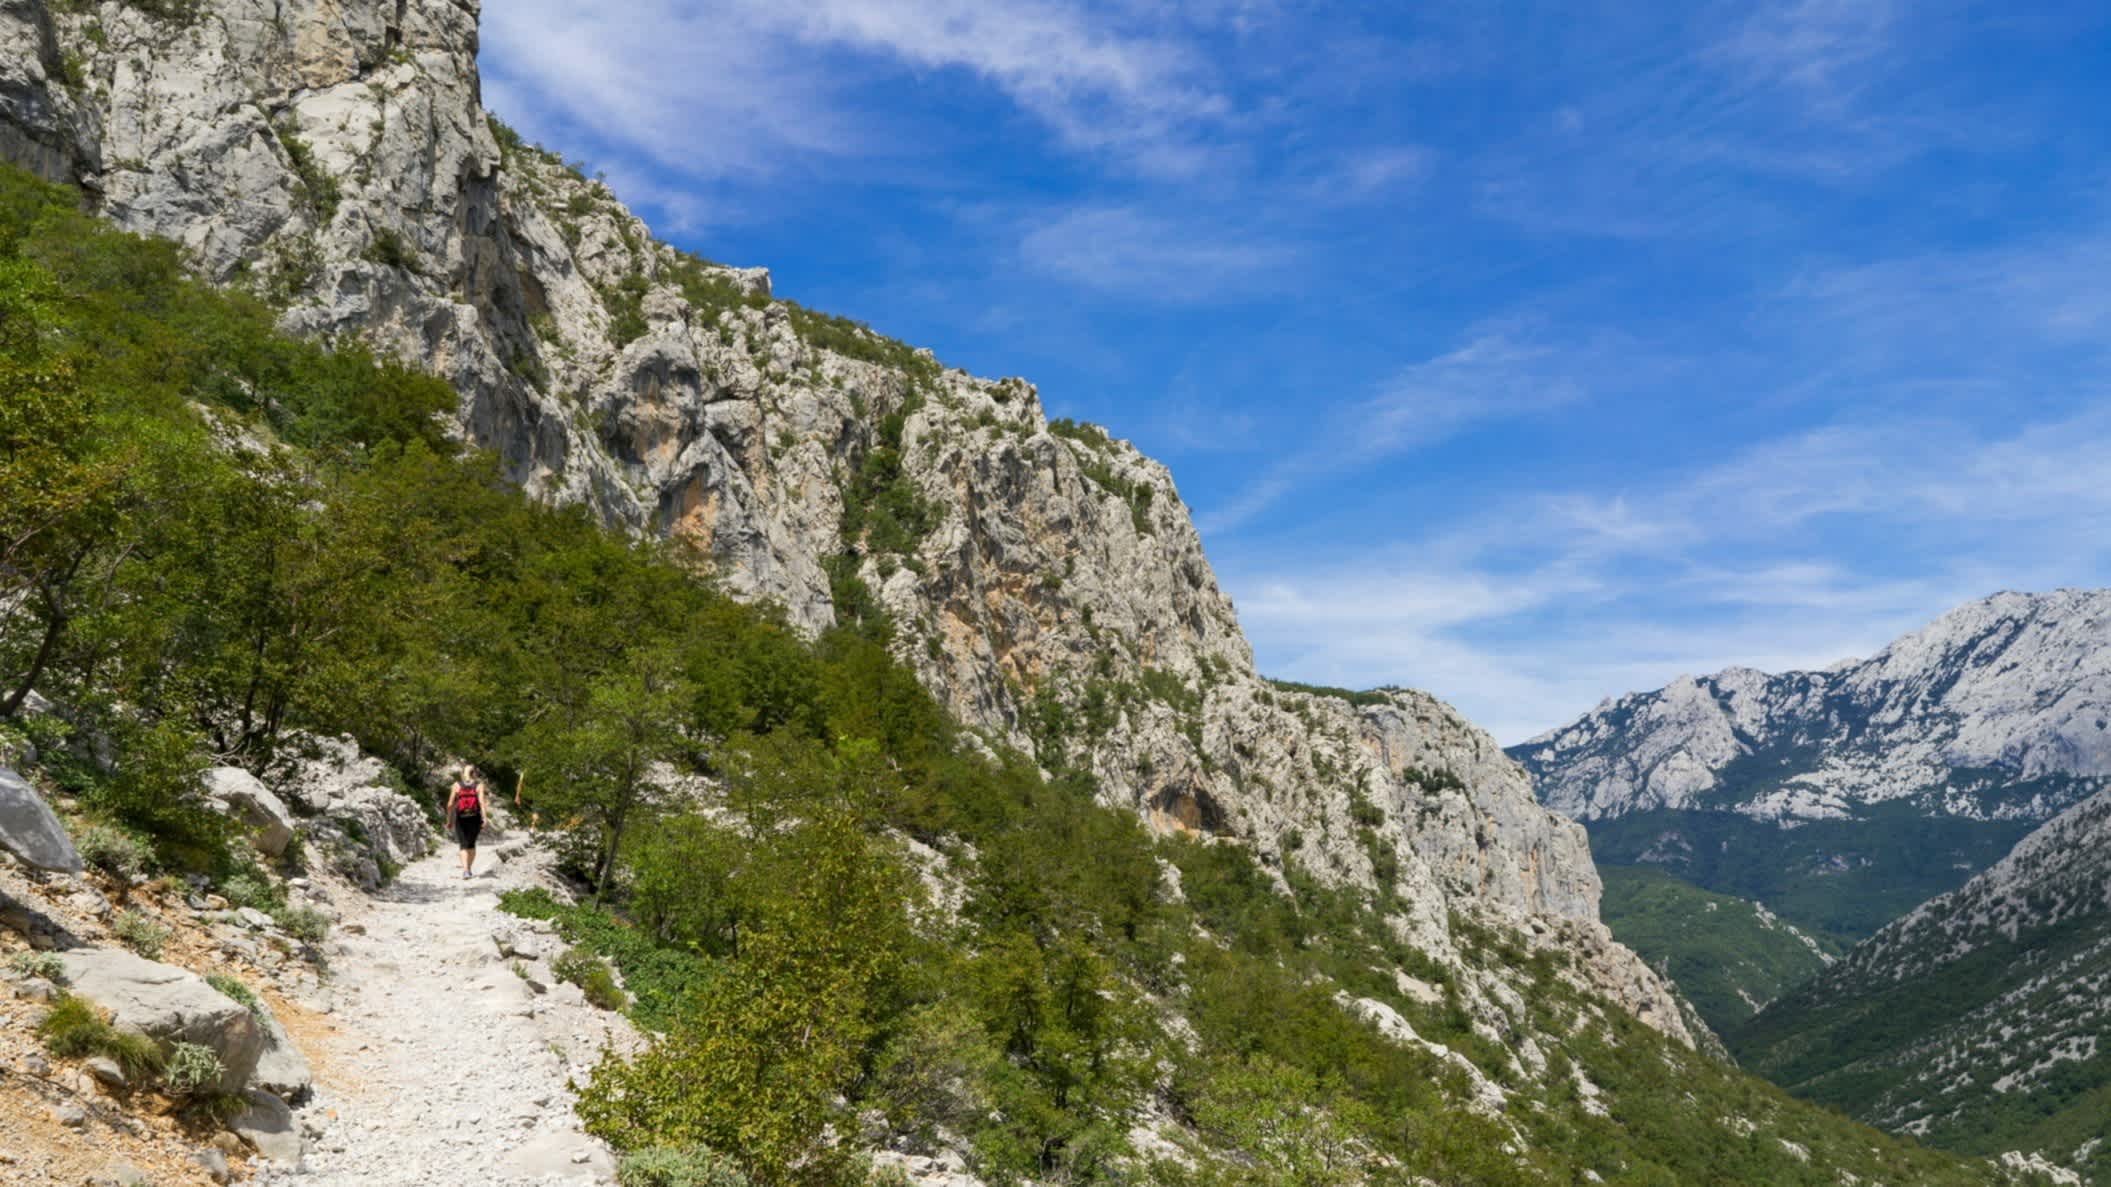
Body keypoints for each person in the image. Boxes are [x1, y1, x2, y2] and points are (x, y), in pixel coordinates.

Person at [446, 765, 490, 880]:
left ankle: (465, 870)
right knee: (471, 845)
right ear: (474, 773)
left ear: (463, 773)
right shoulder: (479, 786)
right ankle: (469, 869)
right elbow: (481, 803)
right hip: (475, 818)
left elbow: (450, 804)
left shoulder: (456, 785)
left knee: (463, 845)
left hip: (461, 818)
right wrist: (485, 818)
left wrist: (449, 819)